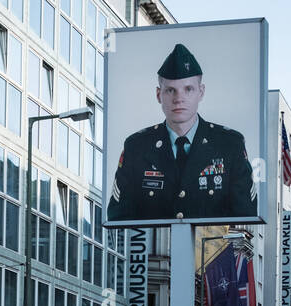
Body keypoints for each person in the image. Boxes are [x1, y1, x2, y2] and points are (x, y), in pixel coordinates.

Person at [107, 43, 255, 223]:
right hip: (154, 251)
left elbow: (246, 219)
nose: (179, 99)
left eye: (188, 89)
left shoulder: (229, 145)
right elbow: (119, 219)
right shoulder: (137, 147)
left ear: (201, 92)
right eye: (170, 90)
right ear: (158, 95)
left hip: (212, 251)